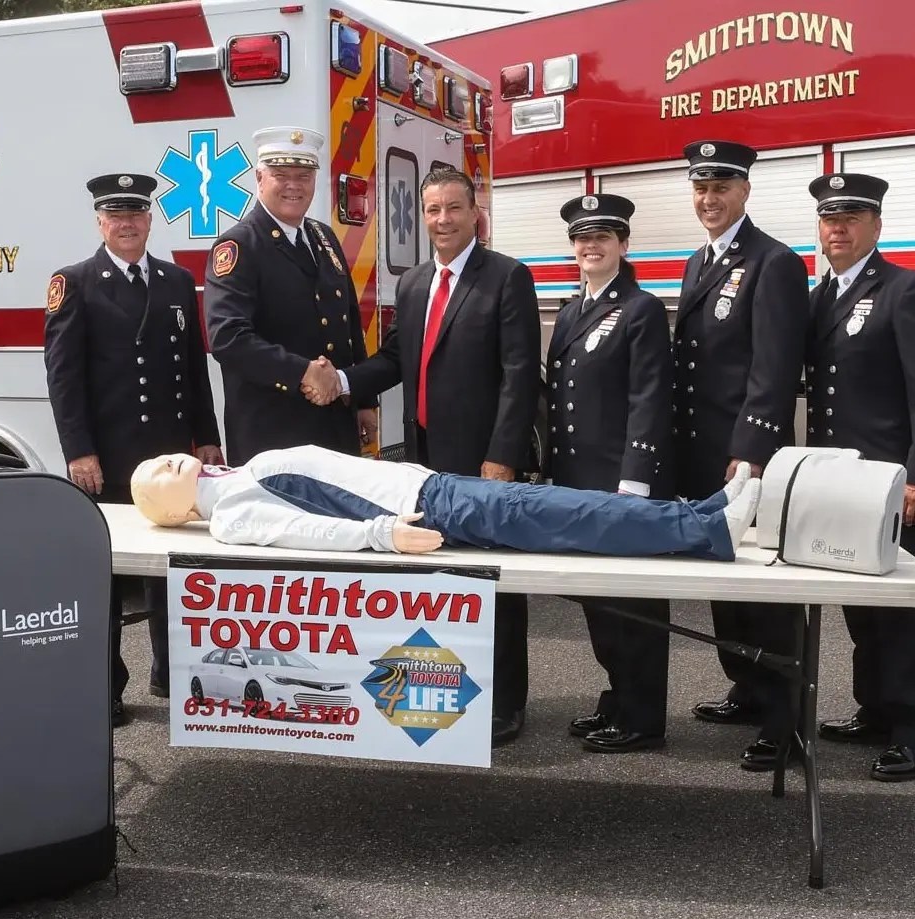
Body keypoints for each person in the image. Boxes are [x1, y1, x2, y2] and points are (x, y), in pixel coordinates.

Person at [307, 167, 542, 747]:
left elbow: (520, 377)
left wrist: (502, 457)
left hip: (483, 461)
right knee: (442, 580)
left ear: (474, 214)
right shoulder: (413, 284)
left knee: (496, 582)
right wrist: (340, 381)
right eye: (432, 210)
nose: (442, 220)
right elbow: (394, 361)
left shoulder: (507, 278)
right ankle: (447, 692)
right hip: (426, 462)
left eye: (453, 209)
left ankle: (506, 703)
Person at [43, 172, 223, 726]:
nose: (126, 224)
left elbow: (194, 369)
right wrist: (79, 452)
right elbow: (64, 379)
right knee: (105, 581)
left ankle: (172, 672)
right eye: (115, 216)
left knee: (172, 571)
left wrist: (209, 439)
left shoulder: (174, 281)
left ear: (149, 220)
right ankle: (106, 687)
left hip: (169, 461)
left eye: (136, 214)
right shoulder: (76, 283)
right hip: (111, 458)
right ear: (100, 222)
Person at [804, 172, 915, 782]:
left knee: (900, 612)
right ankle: (875, 709)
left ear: (875, 225)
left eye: (850, 218)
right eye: (828, 219)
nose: (836, 229)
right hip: (836, 478)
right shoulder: (820, 297)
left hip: (889, 481)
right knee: (859, 607)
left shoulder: (907, 289)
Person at [671, 139, 812, 772]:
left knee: (761, 591)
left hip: (741, 455)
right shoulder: (698, 261)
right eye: (701, 188)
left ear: (746, 191)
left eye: (722, 187)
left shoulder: (773, 262)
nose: (709, 199)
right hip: (702, 452)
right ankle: (748, 688)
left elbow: (774, 366)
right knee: (724, 584)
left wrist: (752, 448)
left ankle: (784, 720)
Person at [127, 446, 759, 563]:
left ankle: (704, 517)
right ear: (178, 514)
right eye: (157, 475)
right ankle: (710, 530)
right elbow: (306, 532)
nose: (166, 462)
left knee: (566, 510)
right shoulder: (234, 511)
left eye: (159, 457)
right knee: (572, 517)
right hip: (432, 510)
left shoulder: (234, 474)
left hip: (431, 488)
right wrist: (380, 536)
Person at [545, 194, 674, 754]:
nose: (590, 245)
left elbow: (649, 398)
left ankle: (644, 716)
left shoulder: (640, 308)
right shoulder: (572, 309)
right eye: (581, 237)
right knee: (600, 602)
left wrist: (635, 480)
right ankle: (619, 697)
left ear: (624, 245)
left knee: (635, 604)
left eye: (602, 236)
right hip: (577, 478)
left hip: (620, 482)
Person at [201, 126, 376, 464]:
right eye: (281, 175)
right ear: (259, 178)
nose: (294, 185)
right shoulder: (239, 245)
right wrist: (303, 372)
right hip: (274, 433)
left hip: (335, 428)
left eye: (304, 175)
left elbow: (349, 323)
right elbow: (227, 337)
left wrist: (364, 400)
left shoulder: (322, 236)